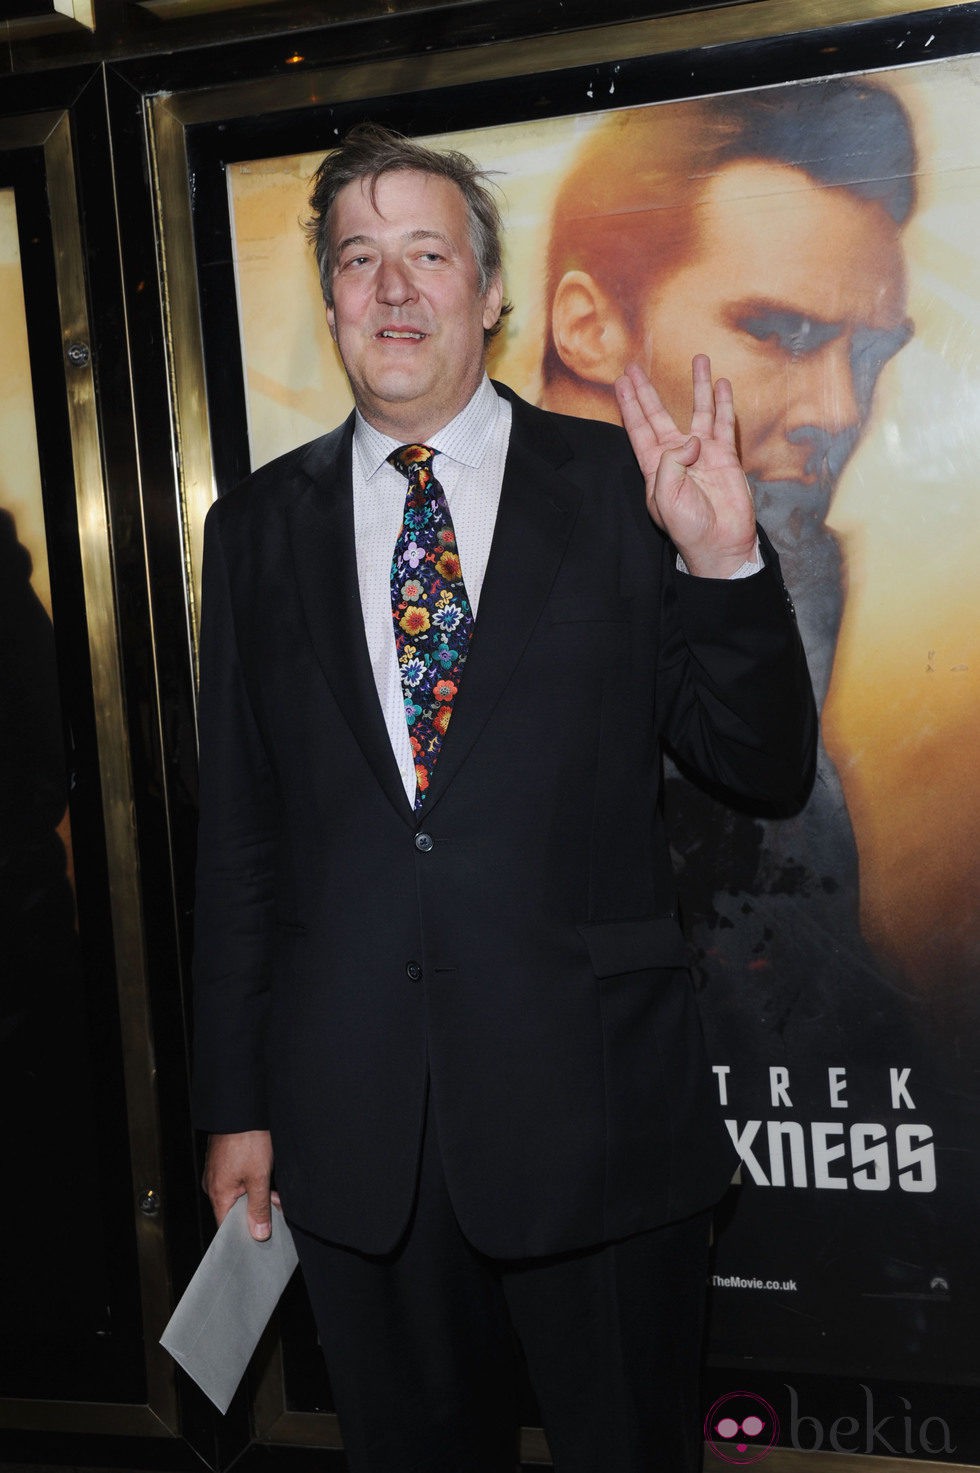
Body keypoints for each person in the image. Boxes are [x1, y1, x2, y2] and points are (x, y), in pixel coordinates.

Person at [192, 122, 815, 1472]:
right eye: (361, 260)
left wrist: (720, 561)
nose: (395, 289)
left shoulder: (617, 494)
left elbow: (762, 765)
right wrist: (236, 1102)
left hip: (594, 1119)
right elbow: (239, 840)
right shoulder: (250, 534)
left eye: (429, 253)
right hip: (357, 1136)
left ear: (490, 294)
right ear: (332, 300)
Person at [541, 81, 917, 1056]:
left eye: (868, 352)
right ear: (589, 326)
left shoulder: (785, 564)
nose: (837, 408)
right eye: (779, 332)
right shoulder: (475, 597)